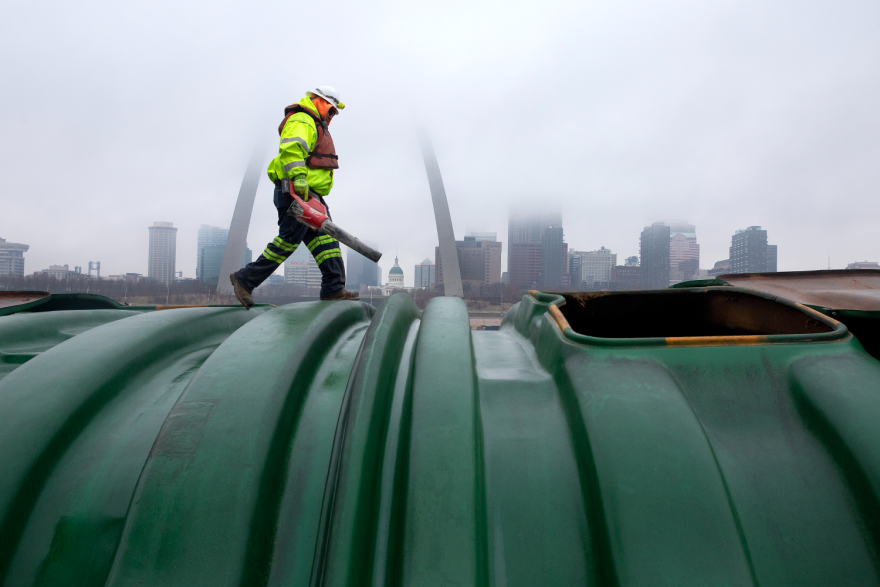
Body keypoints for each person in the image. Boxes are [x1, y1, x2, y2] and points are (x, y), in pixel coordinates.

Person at [229, 86, 359, 308]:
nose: (332, 115)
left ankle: (333, 289)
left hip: (310, 195)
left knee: (326, 240)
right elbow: (292, 149)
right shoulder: (303, 119)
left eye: (335, 112)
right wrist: (298, 178)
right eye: (331, 109)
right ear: (318, 100)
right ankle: (244, 279)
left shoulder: (315, 122)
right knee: (289, 240)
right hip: (295, 192)